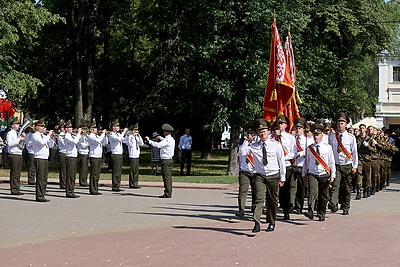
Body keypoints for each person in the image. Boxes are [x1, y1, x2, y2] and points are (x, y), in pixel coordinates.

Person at [239, 119, 285, 233]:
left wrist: (282, 177)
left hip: (273, 175)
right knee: (259, 199)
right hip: (259, 175)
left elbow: (281, 162)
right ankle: (256, 222)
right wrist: (246, 141)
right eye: (259, 132)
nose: (262, 134)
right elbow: (241, 153)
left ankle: (271, 221)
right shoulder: (253, 146)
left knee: (272, 200)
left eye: (264, 131)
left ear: (269, 131)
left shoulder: (276, 145)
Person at [302, 124, 336, 221]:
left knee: (323, 195)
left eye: (318, 134)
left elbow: (331, 162)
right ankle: (310, 210)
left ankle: (321, 213)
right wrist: (304, 173)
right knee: (312, 192)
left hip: (324, 174)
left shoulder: (327, 147)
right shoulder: (310, 148)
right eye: (314, 135)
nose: (316, 136)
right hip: (313, 173)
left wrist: (333, 175)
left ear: (322, 136)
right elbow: (306, 162)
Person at [328, 112, 358, 215]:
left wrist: (355, 166)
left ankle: (345, 206)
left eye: (342, 123)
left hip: (347, 164)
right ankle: (333, 203)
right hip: (336, 165)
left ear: (346, 125)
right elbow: (329, 151)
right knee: (335, 185)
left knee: (346, 187)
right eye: (339, 123)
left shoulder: (351, 137)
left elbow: (354, 152)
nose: (340, 125)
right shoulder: (332, 137)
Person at [272, 115, 297, 220]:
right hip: (274, 167)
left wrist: (284, 157)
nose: (280, 125)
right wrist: (273, 135)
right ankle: (273, 209)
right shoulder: (271, 136)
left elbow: (294, 152)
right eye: (278, 123)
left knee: (285, 190)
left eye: (282, 123)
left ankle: (286, 210)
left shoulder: (290, 137)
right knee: (273, 190)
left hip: (286, 165)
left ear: (286, 125)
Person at [145, 123, 175, 198]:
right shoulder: (171, 139)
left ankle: (168, 192)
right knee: (168, 176)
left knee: (166, 177)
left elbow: (158, 145)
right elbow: (164, 140)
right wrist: (160, 137)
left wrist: (149, 141)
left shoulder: (167, 140)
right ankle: (168, 191)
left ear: (166, 132)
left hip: (165, 160)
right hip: (169, 159)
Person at [235, 123, 257, 219]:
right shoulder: (243, 144)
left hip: (256, 171)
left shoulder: (258, 144)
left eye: (251, 134)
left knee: (256, 191)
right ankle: (241, 209)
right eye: (248, 134)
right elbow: (241, 154)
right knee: (243, 191)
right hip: (244, 170)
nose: (249, 136)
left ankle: (255, 209)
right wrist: (246, 143)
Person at [31, 118, 54, 202]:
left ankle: (43, 194)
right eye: (41, 126)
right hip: (39, 158)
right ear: (37, 127)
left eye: (44, 126)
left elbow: (50, 145)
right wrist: (48, 136)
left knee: (44, 178)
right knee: (40, 178)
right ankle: (39, 196)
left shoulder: (44, 136)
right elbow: (41, 143)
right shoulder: (35, 135)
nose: (44, 128)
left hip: (45, 158)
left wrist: (51, 138)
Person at [292, 118, 312, 214]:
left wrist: (300, 153)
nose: (297, 130)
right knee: (291, 187)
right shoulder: (291, 139)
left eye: (299, 128)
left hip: (302, 165)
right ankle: (291, 205)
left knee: (301, 188)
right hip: (292, 165)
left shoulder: (307, 140)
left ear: (303, 129)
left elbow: (309, 151)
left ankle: (299, 206)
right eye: (296, 128)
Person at [6, 117, 25, 195]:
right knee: (14, 173)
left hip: (19, 153)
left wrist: (23, 138)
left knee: (18, 173)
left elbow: (22, 144)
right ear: (12, 125)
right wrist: (19, 139)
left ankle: (17, 188)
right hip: (13, 154)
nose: (18, 125)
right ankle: (14, 189)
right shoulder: (10, 133)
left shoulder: (18, 133)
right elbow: (10, 143)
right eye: (16, 124)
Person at [108, 119, 128, 192]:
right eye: (116, 126)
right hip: (115, 154)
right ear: (113, 127)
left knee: (119, 171)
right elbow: (119, 139)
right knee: (116, 171)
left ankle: (118, 184)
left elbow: (124, 141)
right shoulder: (111, 134)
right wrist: (123, 132)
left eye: (118, 126)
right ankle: (115, 186)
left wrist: (126, 135)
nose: (118, 127)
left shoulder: (119, 134)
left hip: (120, 154)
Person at [87, 121, 107, 195]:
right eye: (95, 128)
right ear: (92, 129)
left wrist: (105, 136)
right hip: (94, 156)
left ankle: (96, 188)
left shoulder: (97, 136)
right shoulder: (91, 136)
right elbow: (98, 141)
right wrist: (103, 134)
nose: (97, 130)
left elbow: (104, 143)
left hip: (99, 156)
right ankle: (92, 189)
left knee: (97, 174)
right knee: (94, 174)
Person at [64, 120, 82, 198]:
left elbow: (79, 141)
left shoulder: (72, 135)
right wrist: (78, 133)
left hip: (74, 156)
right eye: (69, 127)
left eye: (71, 127)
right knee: (70, 175)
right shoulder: (67, 136)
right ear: (66, 129)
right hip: (70, 157)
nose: (71, 128)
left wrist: (79, 134)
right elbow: (74, 142)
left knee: (73, 175)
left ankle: (71, 190)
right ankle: (69, 192)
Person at [125, 123, 144, 189]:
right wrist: (132, 136)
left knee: (136, 170)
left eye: (137, 130)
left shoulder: (137, 136)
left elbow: (141, 143)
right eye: (135, 130)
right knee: (132, 170)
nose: (136, 131)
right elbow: (128, 143)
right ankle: (132, 184)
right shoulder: (130, 137)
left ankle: (135, 183)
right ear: (133, 130)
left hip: (137, 155)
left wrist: (138, 136)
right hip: (132, 155)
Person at [56, 121, 67, 189]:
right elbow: (64, 144)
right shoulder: (61, 135)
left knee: (66, 170)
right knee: (63, 169)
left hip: (67, 153)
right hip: (63, 152)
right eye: (64, 127)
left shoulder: (65, 135)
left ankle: (65, 183)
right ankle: (63, 184)